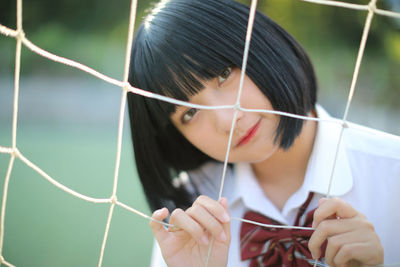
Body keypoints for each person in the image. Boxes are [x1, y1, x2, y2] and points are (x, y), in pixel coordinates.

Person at [126, 0, 400, 266]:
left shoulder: (392, 169)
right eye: (189, 113)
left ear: (261, 46)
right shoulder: (190, 213)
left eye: (223, 74)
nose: (227, 119)